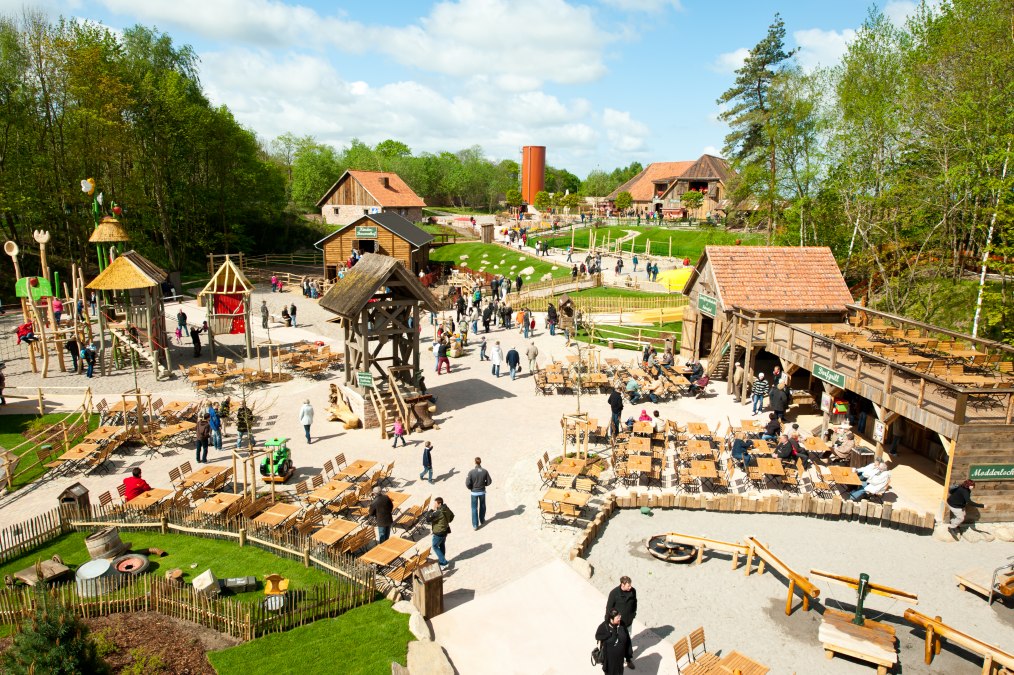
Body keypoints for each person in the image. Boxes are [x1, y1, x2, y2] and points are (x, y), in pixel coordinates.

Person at [595, 610, 633, 675]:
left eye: (620, 616)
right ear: (611, 619)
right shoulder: (604, 626)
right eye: (618, 617)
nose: (620, 618)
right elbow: (597, 636)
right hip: (609, 660)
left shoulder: (622, 625)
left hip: (619, 659)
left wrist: (628, 656)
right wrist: (607, 635)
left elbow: (628, 640)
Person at [465, 457, 492, 530]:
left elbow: (467, 483)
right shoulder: (485, 471)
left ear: (475, 462)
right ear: (480, 462)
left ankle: (475, 525)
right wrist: (484, 484)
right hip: (482, 491)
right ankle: (482, 520)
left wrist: (471, 488)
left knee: (474, 508)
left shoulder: (471, 472)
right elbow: (489, 481)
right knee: (483, 506)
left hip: (474, 492)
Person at [428, 497, 454, 570]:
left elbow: (428, 519)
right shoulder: (446, 508)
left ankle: (444, 562)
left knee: (435, 546)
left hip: (438, 532)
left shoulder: (438, 512)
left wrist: (431, 510)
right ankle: (442, 563)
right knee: (442, 545)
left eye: (435, 504)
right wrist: (445, 522)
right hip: (445, 531)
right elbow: (452, 516)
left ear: (439, 504)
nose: (434, 505)